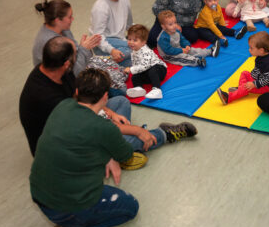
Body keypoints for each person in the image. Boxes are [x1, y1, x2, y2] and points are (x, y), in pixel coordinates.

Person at [20, 36, 196, 157]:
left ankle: (116, 145)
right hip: (64, 146)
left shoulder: (54, 69)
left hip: (78, 120)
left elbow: (82, 101)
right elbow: (92, 123)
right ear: (67, 63)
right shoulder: (48, 98)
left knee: (120, 102)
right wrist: (136, 130)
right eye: (76, 53)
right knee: (126, 140)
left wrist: (110, 113)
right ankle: (162, 134)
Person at [29, 68, 137, 227]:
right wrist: (114, 150)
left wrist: (107, 155)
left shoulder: (63, 106)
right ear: (105, 96)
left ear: (77, 92)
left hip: (39, 194)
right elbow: (126, 154)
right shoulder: (105, 129)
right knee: (131, 207)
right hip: (69, 205)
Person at [32, 0, 101, 76]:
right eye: (70, 17)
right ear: (58, 20)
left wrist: (84, 48)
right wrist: (84, 49)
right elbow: (74, 73)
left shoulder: (63, 29)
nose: (72, 19)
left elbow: (76, 53)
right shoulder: (51, 43)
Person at [216, 31, 269, 104]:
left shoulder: (268, 64)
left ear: (261, 50)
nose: (249, 50)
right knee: (244, 73)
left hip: (264, 86)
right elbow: (258, 70)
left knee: (246, 86)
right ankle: (241, 90)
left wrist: (254, 84)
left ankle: (228, 98)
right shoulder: (262, 55)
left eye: (251, 48)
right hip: (257, 78)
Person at [90, 0, 133, 67]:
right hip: (103, 43)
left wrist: (137, 36)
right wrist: (112, 50)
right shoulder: (100, 7)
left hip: (120, 41)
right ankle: (104, 60)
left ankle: (109, 63)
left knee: (138, 49)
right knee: (134, 49)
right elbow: (98, 37)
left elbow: (129, 24)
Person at [124, 24, 167, 100]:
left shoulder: (145, 51)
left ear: (143, 42)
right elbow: (136, 65)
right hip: (147, 72)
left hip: (159, 70)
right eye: (129, 39)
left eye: (135, 40)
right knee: (135, 75)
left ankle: (157, 90)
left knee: (152, 70)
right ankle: (138, 88)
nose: (131, 42)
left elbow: (145, 66)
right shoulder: (134, 51)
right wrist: (133, 70)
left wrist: (131, 69)